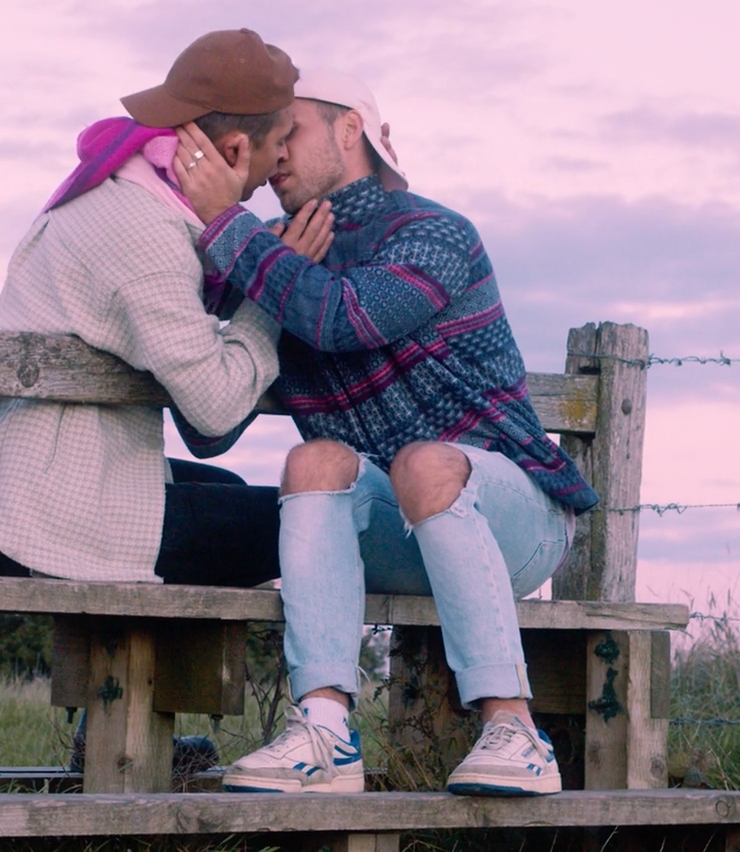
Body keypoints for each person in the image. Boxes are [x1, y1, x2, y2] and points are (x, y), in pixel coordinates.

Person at [171, 69, 602, 796]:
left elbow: (345, 317)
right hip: (389, 536)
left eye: (290, 128)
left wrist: (229, 228)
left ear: (351, 130)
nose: (275, 148)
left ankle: (516, 733)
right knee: (312, 461)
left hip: (512, 522)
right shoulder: (274, 258)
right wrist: (255, 271)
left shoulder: (434, 233)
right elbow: (207, 427)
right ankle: (325, 735)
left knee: (423, 464)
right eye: (266, 134)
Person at [0, 29, 300, 590]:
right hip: (43, 518)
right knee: (308, 520)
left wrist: (243, 243)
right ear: (234, 150)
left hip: (22, 481)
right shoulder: (145, 232)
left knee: (229, 491)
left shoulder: (127, 183)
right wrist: (272, 285)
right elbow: (217, 409)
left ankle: (163, 649)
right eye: (281, 139)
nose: (284, 155)